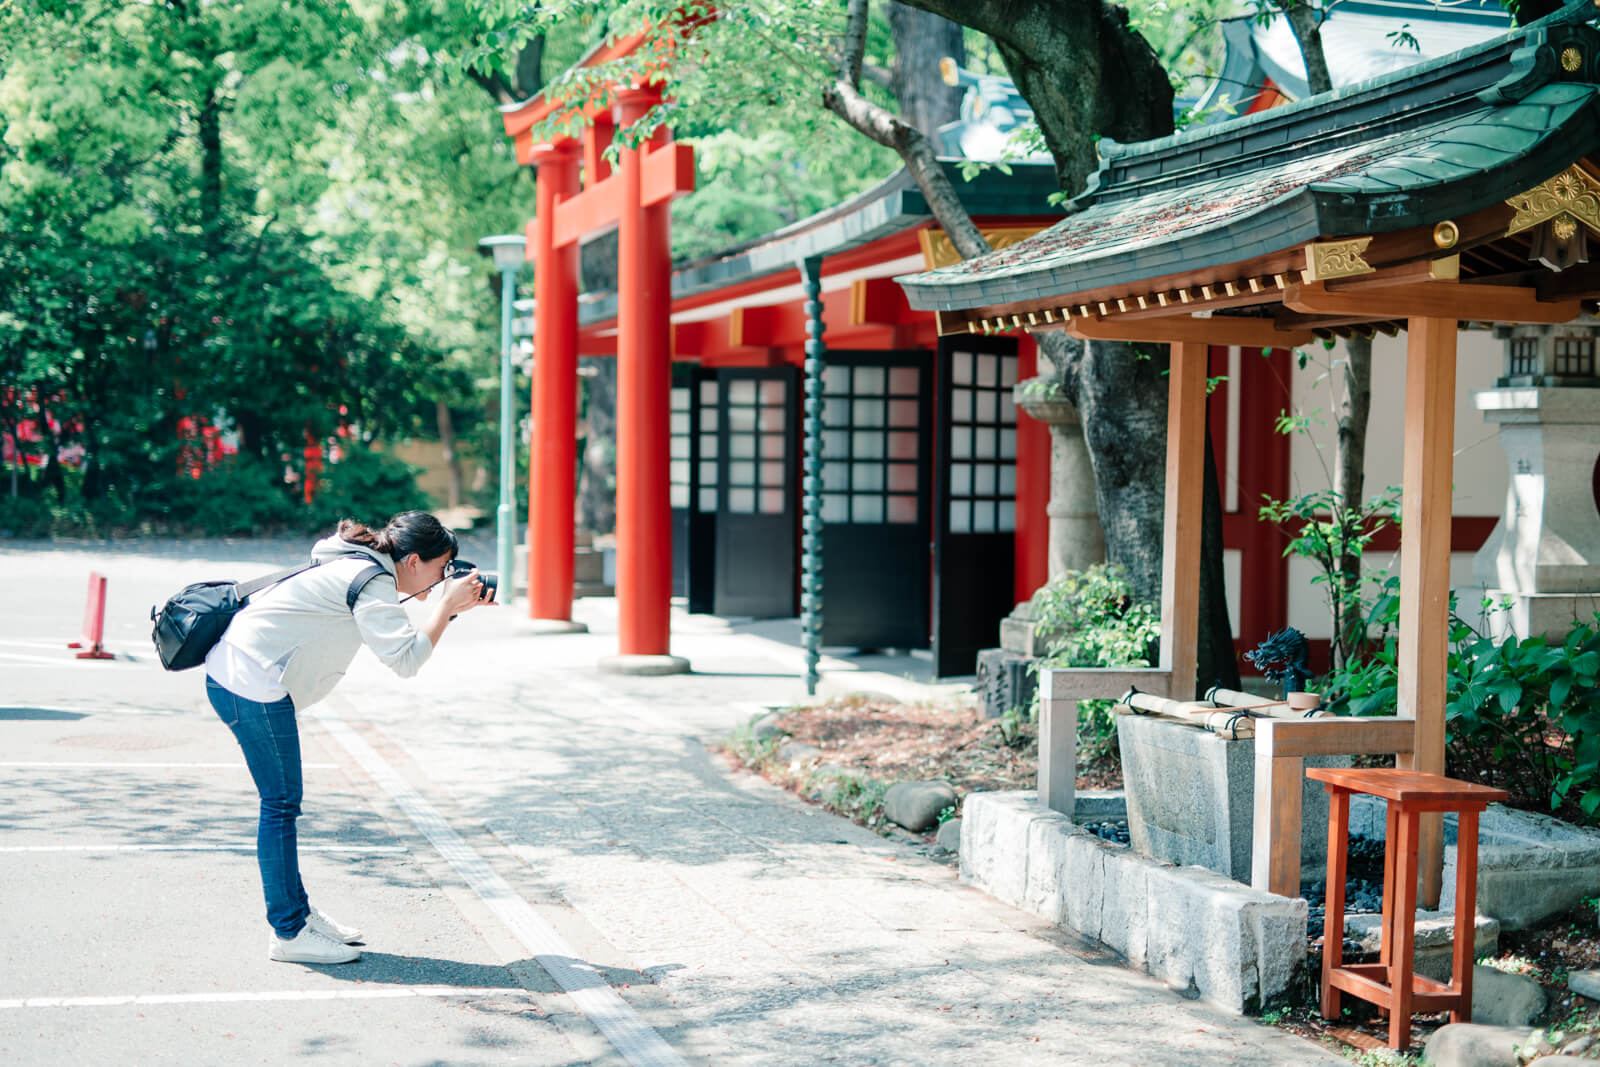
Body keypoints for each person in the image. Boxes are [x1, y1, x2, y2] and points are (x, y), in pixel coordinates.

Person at [204, 511, 492, 965]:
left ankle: (298, 916)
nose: (442, 580)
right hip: (249, 682)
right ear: (413, 561)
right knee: (280, 805)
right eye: (441, 569)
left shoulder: (358, 565)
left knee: (282, 804)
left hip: (243, 674)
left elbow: (397, 639)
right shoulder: (371, 579)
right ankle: (289, 933)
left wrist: (448, 609)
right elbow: (405, 660)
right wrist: (444, 608)